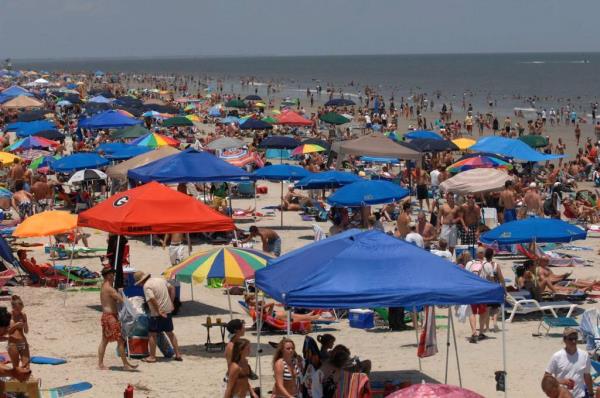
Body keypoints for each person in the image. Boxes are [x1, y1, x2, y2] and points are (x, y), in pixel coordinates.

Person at [134, 271, 183, 363]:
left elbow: (152, 299)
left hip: (157, 313)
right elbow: (172, 288)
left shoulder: (146, 286)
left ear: (141, 281)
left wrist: (159, 310)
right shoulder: (160, 280)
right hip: (167, 310)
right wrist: (171, 303)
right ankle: (178, 354)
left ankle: (152, 357)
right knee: (170, 333)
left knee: (152, 334)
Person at [97, 268, 138, 370]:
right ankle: (125, 365)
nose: (113, 276)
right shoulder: (109, 288)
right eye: (112, 274)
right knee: (120, 340)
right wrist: (120, 292)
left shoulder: (105, 286)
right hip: (110, 317)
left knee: (105, 340)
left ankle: (100, 364)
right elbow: (120, 300)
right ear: (108, 276)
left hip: (107, 316)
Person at [545, 328, 593, 398]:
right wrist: (562, 381)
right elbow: (546, 378)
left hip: (580, 396)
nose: (573, 341)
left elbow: (587, 376)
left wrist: (591, 394)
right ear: (564, 340)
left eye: (575, 338)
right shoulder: (557, 356)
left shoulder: (584, 355)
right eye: (570, 339)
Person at [465, 247, 493, 343]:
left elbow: (465, 276)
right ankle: (481, 331)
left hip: (471, 289)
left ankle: (474, 332)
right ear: (484, 254)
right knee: (483, 312)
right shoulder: (487, 264)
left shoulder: (469, 263)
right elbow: (491, 279)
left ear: (476, 253)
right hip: (482, 290)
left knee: (472, 312)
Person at [482, 248, 505, 332]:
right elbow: (501, 278)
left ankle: (487, 328)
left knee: (487, 309)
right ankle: (495, 323)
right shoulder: (496, 265)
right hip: (495, 288)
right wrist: (504, 289)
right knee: (496, 308)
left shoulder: (483, 264)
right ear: (492, 255)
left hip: (486, 289)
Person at [7, 295, 29, 370]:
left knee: (26, 366)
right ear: (13, 308)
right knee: (16, 368)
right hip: (12, 343)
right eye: (17, 309)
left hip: (23, 342)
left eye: (21, 309)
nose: (20, 311)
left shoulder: (23, 315)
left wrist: (25, 322)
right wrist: (15, 326)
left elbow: (26, 331)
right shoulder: (8, 316)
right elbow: (8, 333)